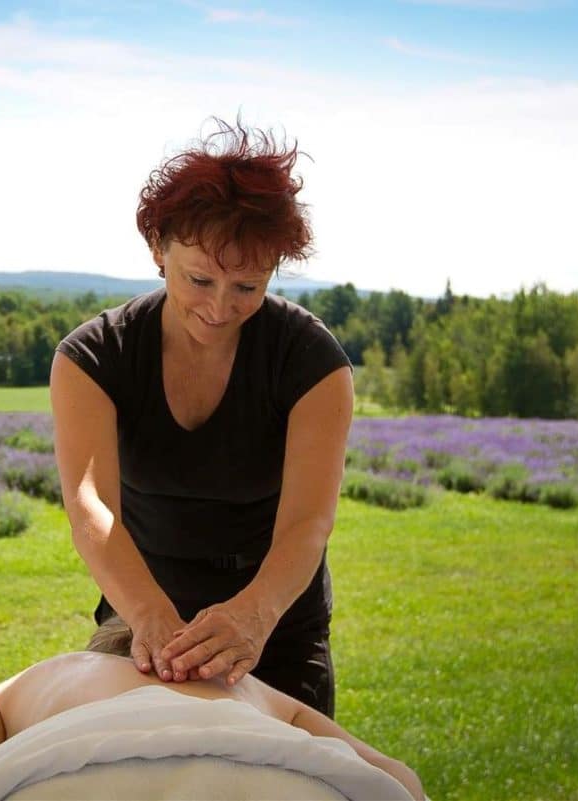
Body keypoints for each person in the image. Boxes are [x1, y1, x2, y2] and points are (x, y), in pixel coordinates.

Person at [51, 118, 354, 715]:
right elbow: (92, 508)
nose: (221, 307)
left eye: (248, 286)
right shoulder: (93, 357)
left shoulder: (312, 361)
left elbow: (308, 524)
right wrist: (150, 617)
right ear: (159, 249)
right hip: (141, 619)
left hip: (275, 627)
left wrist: (254, 615)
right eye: (200, 279)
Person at [0, 618, 425, 801]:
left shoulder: (43, 676)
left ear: (103, 647)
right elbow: (394, 775)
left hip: (74, 775)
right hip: (266, 776)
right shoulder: (249, 689)